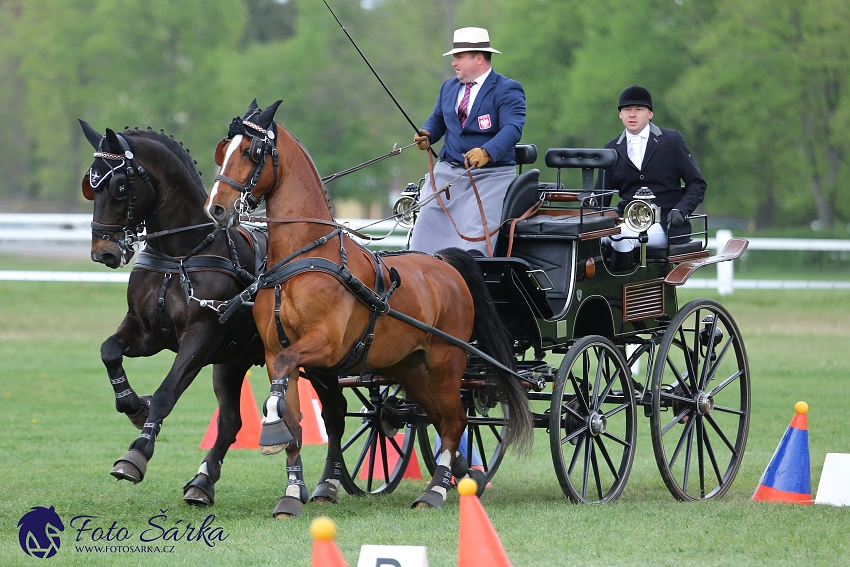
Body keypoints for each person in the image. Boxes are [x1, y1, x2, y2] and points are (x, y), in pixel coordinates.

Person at [409, 27, 526, 256]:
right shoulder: (448, 87)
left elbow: (512, 129)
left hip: (491, 175)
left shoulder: (507, 89)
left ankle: (469, 278)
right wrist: (427, 133)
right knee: (423, 226)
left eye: (459, 57)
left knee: (476, 233)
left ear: (479, 58)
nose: (454, 63)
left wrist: (487, 152)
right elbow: (438, 120)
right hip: (447, 172)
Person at [595, 85, 706, 267]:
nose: (632, 114)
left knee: (623, 236)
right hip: (626, 219)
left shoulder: (671, 141)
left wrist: (681, 210)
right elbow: (601, 195)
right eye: (627, 110)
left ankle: (620, 290)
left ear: (650, 114)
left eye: (639, 109)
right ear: (620, 115)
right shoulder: (612, 148)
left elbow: (697, 183)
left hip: (665, 223)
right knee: (592, 239)